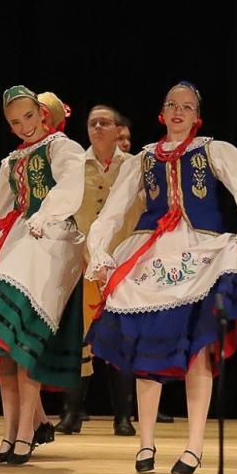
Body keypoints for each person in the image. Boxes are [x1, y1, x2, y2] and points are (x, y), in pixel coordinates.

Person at [86, 82, 237, 474]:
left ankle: (194, 446)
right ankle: (146, 442)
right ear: (163, 112)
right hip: (152, 256)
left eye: (186, 106)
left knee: (198, 349)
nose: (178, 111)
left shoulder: (213, 151)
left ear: (197, 115)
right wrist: (99, 252)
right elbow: (113, 212)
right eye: (172, 105)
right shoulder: (143, 158)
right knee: (146, 350)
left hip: (199, 254)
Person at [0, 86, 86, 465]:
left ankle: (25, 432)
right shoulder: (10, 162)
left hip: (53, 240)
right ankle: (10, 435)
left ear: (42, 113)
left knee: (24, 343)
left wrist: (45, 215)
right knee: (4, 345)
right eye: (15, 122)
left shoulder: (61, 148)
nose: (24, 126)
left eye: (28, 117)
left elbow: (71, 187)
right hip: (20, 239)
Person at [60, 104, 143, 436]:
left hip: (122, 264)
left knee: (122, 338)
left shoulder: (134, 166)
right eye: (92, 123)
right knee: (79, 338)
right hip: (83, 262)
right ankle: (71, 413)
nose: (97, 128)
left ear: (118, 129)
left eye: (104, 123)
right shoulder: (75, 166)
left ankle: (123, 416)